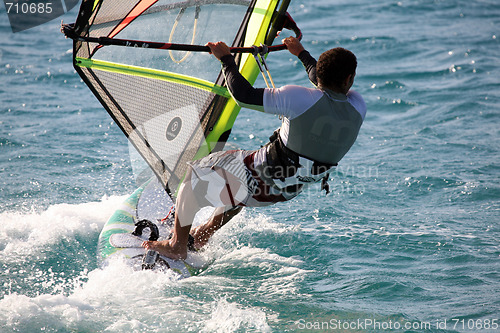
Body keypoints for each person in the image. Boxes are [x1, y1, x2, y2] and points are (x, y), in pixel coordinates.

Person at [142, 37, 367, 259]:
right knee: (235, 170)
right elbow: (322, 84)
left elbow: (244, 96)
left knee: (196, 173)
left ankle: (177, 245)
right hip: (286, 190)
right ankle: (203, 234)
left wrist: (227, 60)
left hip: (259, 178)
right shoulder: (358, 107)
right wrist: (301, 54)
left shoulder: (299, 98)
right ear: (349, 79)